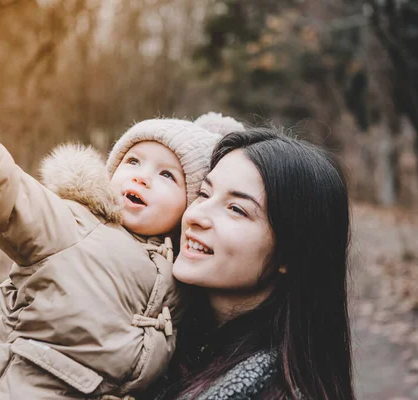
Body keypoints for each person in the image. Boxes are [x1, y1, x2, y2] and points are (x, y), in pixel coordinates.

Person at [0, 51, 244, 399]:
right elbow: (5, 192)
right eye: (134, 161)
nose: (142, 178)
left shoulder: (184, 277)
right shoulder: (75, 223)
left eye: (167, 174)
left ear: (194, 202)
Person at [147, 127, 355, 399]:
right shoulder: (170, 333)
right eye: (205, 194)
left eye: (236, 209)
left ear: (289, 253)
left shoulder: (268, 389)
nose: (196, 215)